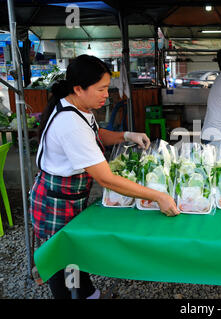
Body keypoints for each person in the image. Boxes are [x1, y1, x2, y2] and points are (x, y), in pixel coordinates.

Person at [29, 55, 180, 299]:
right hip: (56, 200)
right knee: (60, 259)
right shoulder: (69, 123)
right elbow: (106, 179)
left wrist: (126, 136)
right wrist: (157, 196)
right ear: (78, 89)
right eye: (100, 89)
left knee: (74, 252)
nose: (106, 95)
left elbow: (97, 134)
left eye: (107, 88)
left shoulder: (78, 108)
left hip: (70, 195)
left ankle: (88, 294)